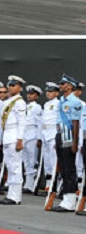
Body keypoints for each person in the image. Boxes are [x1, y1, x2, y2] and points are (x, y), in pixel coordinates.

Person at [49, 74, 82, 212]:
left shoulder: (75, 102)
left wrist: (75, 142)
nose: (61, 86)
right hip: (60, 135)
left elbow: (76, 123)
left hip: (69, 137)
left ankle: (70, 201)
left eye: (63, 84)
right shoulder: (61, 100)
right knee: (63, 168)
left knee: (69, 169)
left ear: (70, 86)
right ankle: (66, 198)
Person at [0, 75, 27, 205]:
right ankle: (11, 194)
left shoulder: (19, 102)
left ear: (20, 87)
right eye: (10, 85)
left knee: (15, 166)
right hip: (7, 135)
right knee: (10, 166)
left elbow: (22, 122)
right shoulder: (8, 101)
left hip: (14, 135)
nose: (10, 87)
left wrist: (20, 139)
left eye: (14, 85)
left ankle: (15, 196)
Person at [22, 85, 43, 193]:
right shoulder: (25, 106)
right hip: (24, 135)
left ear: (37, 96)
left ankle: (31, 184)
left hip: (33, 134)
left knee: (32, 160)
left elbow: (40, 123)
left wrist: (39, 138)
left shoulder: (37, 107)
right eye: (29, 94)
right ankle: (27, 183)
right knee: (25, 160)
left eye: (32, 94)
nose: (29, 96)